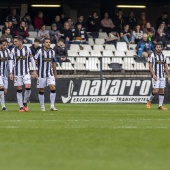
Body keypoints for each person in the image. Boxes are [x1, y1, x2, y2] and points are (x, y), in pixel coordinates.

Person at [9, 36, 37, 112]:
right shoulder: (13, 50)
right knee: (19, 89)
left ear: (20, 41)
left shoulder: (27, 49)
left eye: (16, 41)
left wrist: (34, 70)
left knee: (28, 87)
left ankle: (25, 102)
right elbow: (11, 62)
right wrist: (11, 72)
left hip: (26, 72)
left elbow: (31, 59)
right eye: (14, 41)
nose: (14, 43)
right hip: (17, 73)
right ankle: (21, 106)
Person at [34, 38, 57, 111]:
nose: (48, 43)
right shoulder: (39, 51)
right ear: (43, 44)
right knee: (41, 89)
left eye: (49, 42)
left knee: (53, 87)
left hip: (50, 74)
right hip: (41, 74)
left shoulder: (52, 52)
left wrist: (55, 73)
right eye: (47, 42)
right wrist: (34, 71)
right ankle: (42, 107)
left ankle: (52, 106)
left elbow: (53, 63)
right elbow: (34, 60)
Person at [146, 42, 170, 110]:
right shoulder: (152, 56)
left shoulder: (163, 56)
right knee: (156, 90)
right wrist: (153, 74)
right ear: (155, 48)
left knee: (162, 90)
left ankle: (160, 106)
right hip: (156, 76)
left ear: (161, 48)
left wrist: (168, 76)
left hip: (162, 76)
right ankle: (149, 100)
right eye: (157, 47)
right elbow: (150, 66)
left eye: (159, 47)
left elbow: (165, 67)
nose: (158, 48)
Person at [0, 39, 10, 111]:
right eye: (3, 45)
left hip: (5, 74)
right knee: (2, 88)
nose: (5, 46)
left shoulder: (7, 51)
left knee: (5, 91)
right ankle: (3, 106)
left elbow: (9, 62)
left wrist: (10, 72)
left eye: (6, 45)